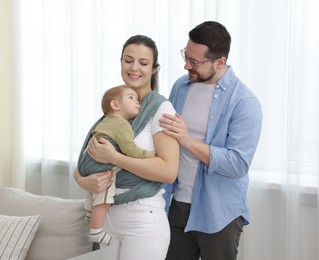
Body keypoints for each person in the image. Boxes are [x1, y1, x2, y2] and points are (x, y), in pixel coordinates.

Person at [159, 21, 263, 260]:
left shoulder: (245, 103)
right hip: (177, 205)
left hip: (219, 214)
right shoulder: (181, 86)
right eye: (186, 56)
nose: (187, 65)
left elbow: (238, 163)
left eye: (194, 62)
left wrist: (187, 140)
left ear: (220, 62)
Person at [73, 35, 179, 260]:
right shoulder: (114, 111)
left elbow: (169, 172)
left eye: (143, 63)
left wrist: (115, 158)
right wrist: (85, 181)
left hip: (142, 217)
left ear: (154, 69)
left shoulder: (161, 109)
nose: (134, 68)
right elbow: (87, 161)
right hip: (109, 217)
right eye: (128, 60)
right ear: (120, 62)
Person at [77, 85, 155, 246]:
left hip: (86, 161)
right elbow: (130, 150)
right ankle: (96, 231)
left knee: (94, 189)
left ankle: (90, 214)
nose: (138, 102)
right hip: (98, 163)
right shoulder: (122, 125)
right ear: (115, 105)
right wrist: (148, 155)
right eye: (131, 98)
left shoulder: (105, 121)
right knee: (106, 195)